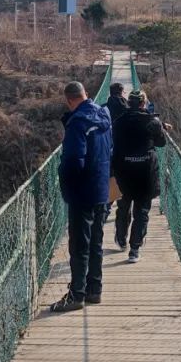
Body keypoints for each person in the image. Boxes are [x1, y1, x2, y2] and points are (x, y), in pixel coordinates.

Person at [51, 80, 112, 312]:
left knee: (79, 246)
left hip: (82, 193)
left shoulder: (77, 123)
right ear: (86, 94)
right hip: (101, 189)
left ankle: (76, 294)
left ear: (68, 101)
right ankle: (94, 290)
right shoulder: (104, 115)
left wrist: (64, 181)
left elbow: (74, 160)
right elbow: (111, 149)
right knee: (96, 242)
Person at [111, 89, 167, 263]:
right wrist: (160, 128)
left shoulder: (118, 121)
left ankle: (121, 239)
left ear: (129, 103)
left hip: (123, 171)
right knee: (142, 210)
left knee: (123, 206)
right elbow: (161, 143)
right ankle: (134, 249)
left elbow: (113, 142)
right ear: (144, 103)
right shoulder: (152, 121)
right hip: (145, 171)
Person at [100, 82, 130, 225]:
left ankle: (103, 215)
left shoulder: (102, 109)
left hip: (107, 153)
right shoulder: (129, 109)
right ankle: (122, 226)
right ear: (122, 92)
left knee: (110, 184)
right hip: (127, 154)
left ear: (110, 93)